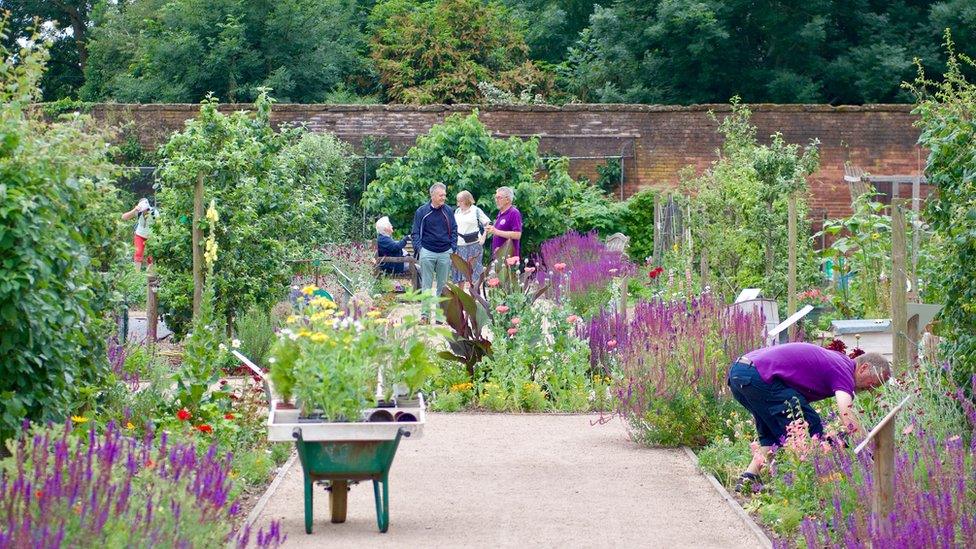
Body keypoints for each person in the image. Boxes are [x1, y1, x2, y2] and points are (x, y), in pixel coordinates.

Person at [727, 342, 890, 492]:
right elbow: (846, 413)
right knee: (808, 428)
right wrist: (869, 446)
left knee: (774, 436)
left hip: (740, 373)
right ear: (864, 368)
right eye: (874, 383)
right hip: (757, 375)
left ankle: (747, 479)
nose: (871, 390)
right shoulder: (844, 369)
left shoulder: (838, 362)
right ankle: (810, 486)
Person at [411, 183, 458, 299]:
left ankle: (440, 316)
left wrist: (453, 247)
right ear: (432, 195)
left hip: (445, 252)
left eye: (444, 195)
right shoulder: (422, 211)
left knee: (443, 287)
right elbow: (415, 232)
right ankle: (425, 315)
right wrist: (420, 249)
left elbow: (454, 229)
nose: (443, 198)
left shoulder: (448, 211)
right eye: (440, 195)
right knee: (426, 286)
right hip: (427, 251)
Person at [453, 190, 491, 284]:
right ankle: (460, 296)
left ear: (467, 200)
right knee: (460, 270)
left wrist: (483, 237)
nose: (459, 203)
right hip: (460, 244)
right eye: (458, 201)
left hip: (474, 243)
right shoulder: (457, 211)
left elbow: (487, 223)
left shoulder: (476, 210)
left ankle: (474, 294)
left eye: (461, 201)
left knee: (474, 270)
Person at [486, 186, 522, 260]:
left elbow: (517, 235)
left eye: (499, 198)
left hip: (509, 258)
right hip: (498, 257)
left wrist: (496, 231)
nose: (496, 200)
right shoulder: (500, 213)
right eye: (496, 198)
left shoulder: (514, 213)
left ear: (507, 200)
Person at [121, 197, 157, 270]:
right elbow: (124, 217)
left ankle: (149, 274)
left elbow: (160, 223)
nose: (144, 211)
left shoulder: (154, 212)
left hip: (151, 236)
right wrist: (135, 210)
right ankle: (137, 274)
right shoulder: (138, 212)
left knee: (151, 256)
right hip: (140, 234)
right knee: (138, 253)